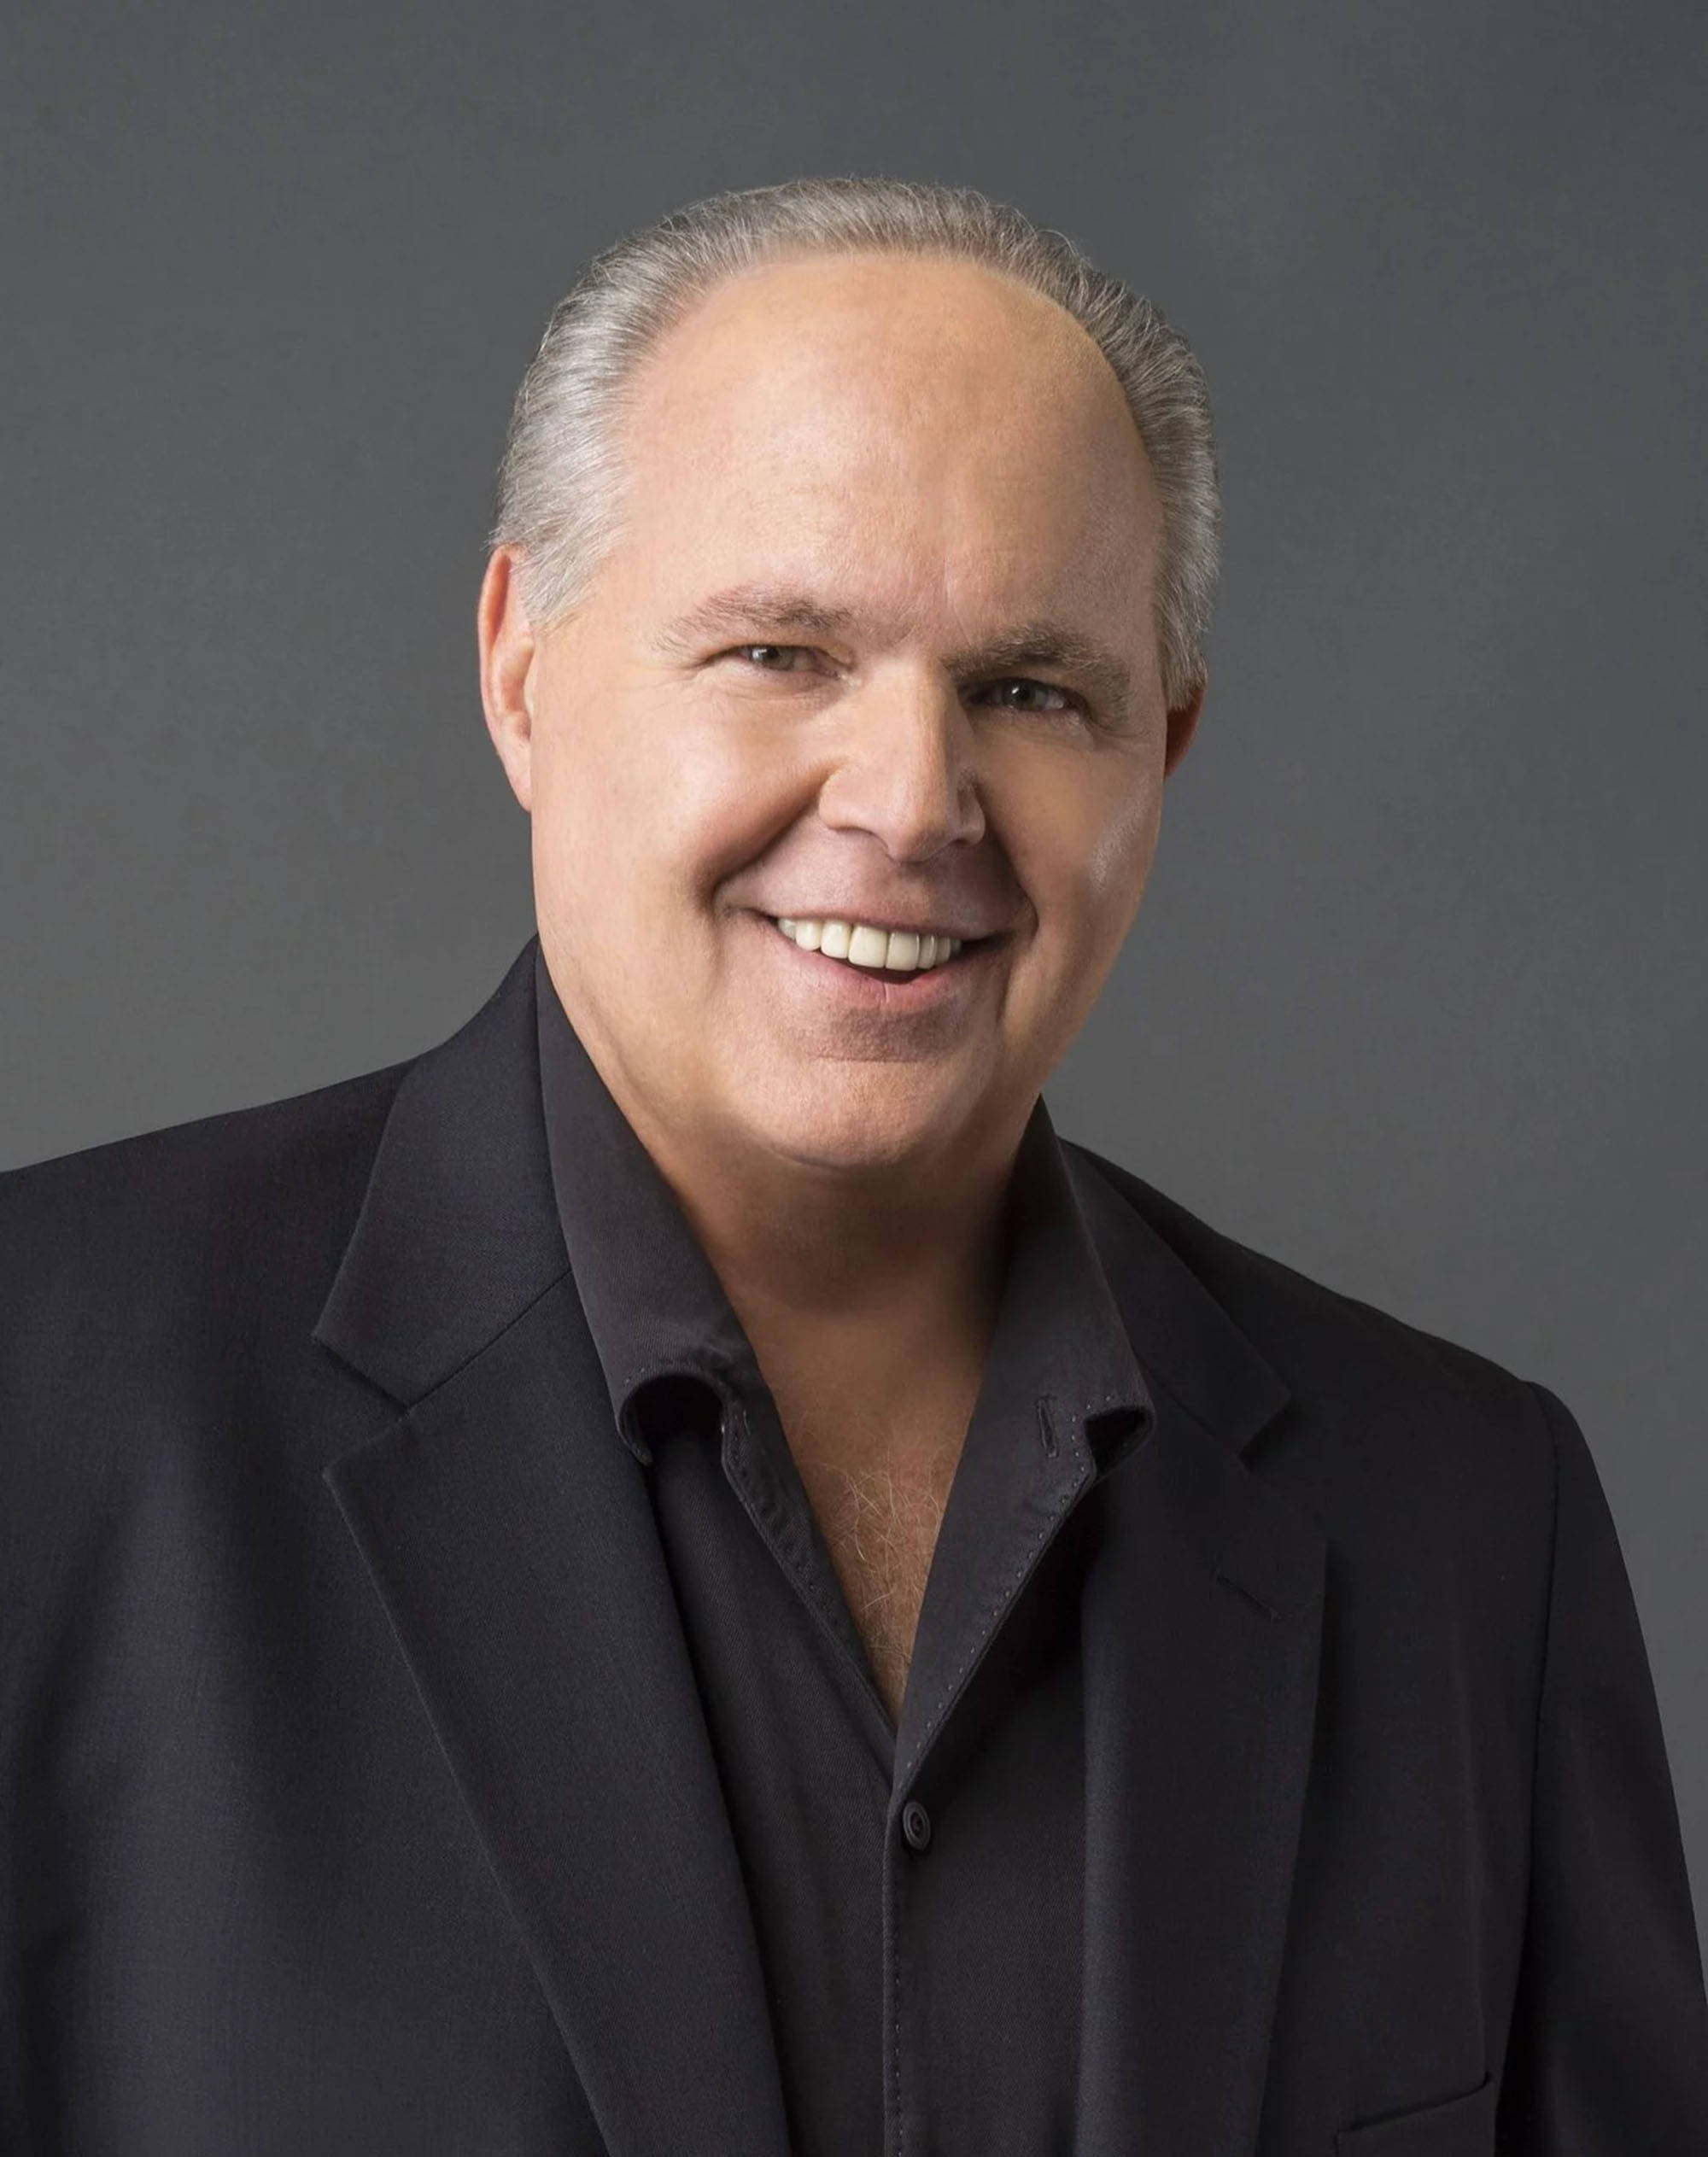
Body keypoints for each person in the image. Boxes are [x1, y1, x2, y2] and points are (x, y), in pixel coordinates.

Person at [3, 176, 1704, 2157]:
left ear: (1161, 751)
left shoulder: (1465, 1524)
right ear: (521, 665)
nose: (909, 804)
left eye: (1030, 690)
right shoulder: (43, 1405)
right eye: (781, 651)